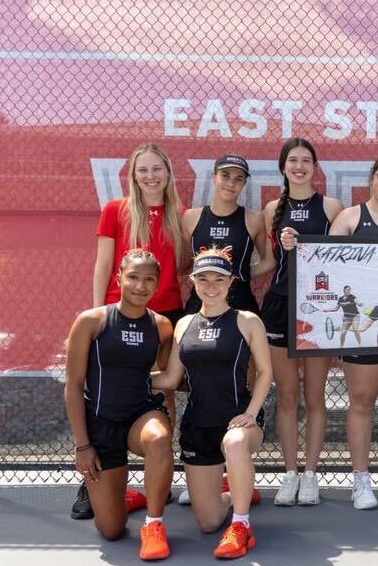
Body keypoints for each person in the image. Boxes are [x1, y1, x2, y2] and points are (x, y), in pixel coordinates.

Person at [291, 153, 378, 509]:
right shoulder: (349, 218)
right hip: (365, 330)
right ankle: (361, 481)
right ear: (371, 178)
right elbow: (325, 267)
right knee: (362, 402)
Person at [76, 143, 186, 521]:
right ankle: (92, 480)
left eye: (158, 169)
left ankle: (160, 478)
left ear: (168, 174)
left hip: (165, 309)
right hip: (117, 312)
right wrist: (97, 314)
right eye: (143, 170)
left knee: (163, 391)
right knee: (102, 391)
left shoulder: (179, 215)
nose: (151, 176)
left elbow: (184, 266)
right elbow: (102, 264)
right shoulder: (114, 211)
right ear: (133, 175)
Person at [152, 248, 272, 559]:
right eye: (203, 279)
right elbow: (170, 377)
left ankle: (242, 526)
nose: (211, 286)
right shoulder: (184, 324)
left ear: (231, 282)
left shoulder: (247, 321)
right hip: (198, 426)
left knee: (233, 444)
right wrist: (123, 377)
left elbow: (265, 373)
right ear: (192, 282)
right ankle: (236, 492)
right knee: (207, 523)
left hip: (240, 421)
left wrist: (251, 412)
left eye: (219, 279)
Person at [64, 249, 175, 560]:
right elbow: (73, 386)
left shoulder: (162, 326)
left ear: (157, 284)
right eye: (133, 277)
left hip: (141, 414)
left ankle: (153, 526)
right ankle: (120, 496)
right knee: (111, 530)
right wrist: (82, 446)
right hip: (101, 423)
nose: (141, 286)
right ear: (119, 279)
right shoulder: (91, 321)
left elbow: (167, 377)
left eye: (149, 280)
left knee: (160, 439)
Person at [263, 138, 344, 507]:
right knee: (287, 396)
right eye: (293, 160)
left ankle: (311, 475)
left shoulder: (331, 207)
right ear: (283, 167)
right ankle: (290, 473)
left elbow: (339, 263)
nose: (299, 167)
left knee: (314, 396)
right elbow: (266, 263)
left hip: (317, 308)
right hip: (280, 306)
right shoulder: (270, 209)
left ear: (315, 167)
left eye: (306, 161)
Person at [183, 154, 273, 315]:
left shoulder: (254, 219)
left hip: (240, 299)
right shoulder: (191, 217)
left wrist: (238, 272)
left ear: (244, 183)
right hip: (201, 299)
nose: (231, 183)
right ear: (213, 177)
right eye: (225, 176)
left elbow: (268, 261)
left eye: (238, 178)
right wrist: (209, 277)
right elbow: (183, 264)